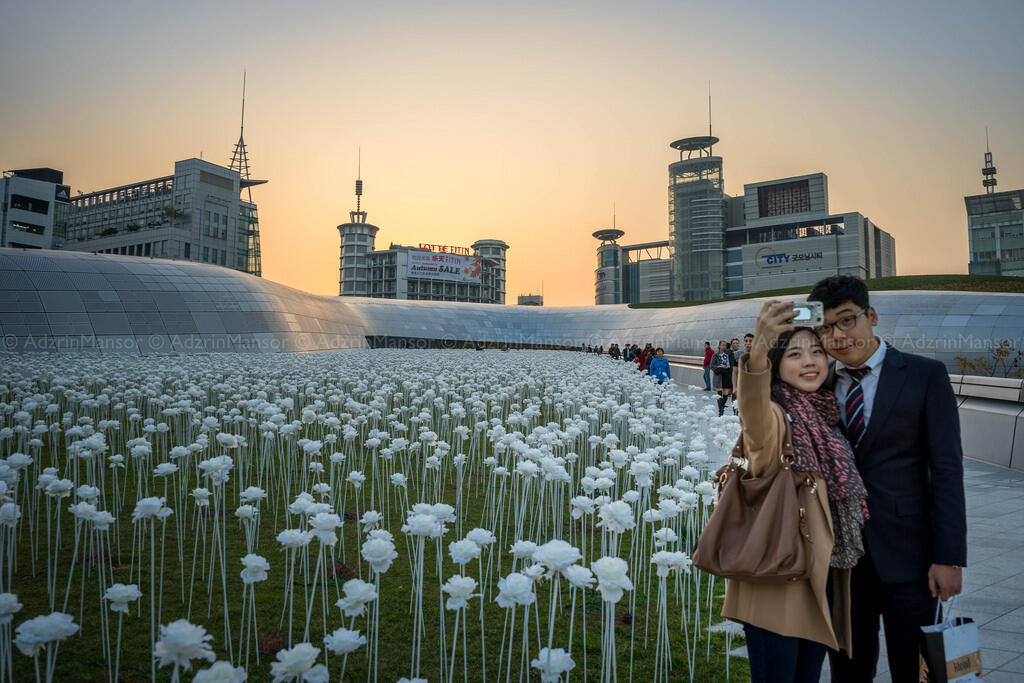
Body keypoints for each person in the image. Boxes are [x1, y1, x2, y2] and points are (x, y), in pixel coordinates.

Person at [807, 275, 967, 683]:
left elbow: (946, 470)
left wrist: (948, 557)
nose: (838, 336)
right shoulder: (814, 383)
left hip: (910, 559)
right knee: (848, 670)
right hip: (841, 562)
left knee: (913, 670)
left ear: (871, 316)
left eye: (847, 321)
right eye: (825, 328)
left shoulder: (924, 375)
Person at [723, 300, 866, 682]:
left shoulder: (827, 417)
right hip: (778, 586)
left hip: (819, 585)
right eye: (795, 354)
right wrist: (757, 353)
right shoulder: (774, 417)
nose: (809, 362)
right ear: (776, 364)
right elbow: (751, 409)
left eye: (816, 352)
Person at [710, 340, 733, 415]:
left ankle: (722, 407)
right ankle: (721, 411)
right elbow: (712, 366)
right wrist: (719, 366)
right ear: (719, 346)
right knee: (719, 394)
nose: (724, 346)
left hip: (726, 375)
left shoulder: (727, 355)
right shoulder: (715, 355)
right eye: (722, 345)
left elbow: (729, 366)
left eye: (725, 345)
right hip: (718, 376)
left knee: (726, 395)